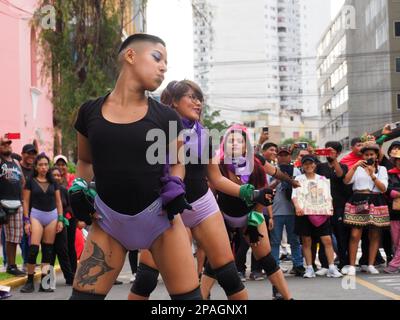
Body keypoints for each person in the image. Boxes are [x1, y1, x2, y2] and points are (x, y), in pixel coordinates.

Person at [69, 34, 201, 300]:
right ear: (130, 56)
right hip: (108, 223)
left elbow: (177, 163)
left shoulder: (166, 116)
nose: (163, 66)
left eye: (166, 62)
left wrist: (176, 184)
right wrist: (79, 186)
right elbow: (85, 160)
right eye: (157, 57)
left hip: (160, 220)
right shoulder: (89, 112)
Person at [130, 80, 277, 300]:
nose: (198, 103)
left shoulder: (204, 135)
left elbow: (215, 178)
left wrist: (251, 193)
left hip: (201, 204)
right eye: (192, 97)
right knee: (146, 278)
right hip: (165, 208)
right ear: (173, 102)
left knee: (229, 275)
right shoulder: (155, 130)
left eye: (200, 99)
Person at [201, 125, 293, 300]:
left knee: (266, 258)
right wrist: (219, 223)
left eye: (239, 141)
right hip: (223, 216)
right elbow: (211, 197)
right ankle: (202, 298)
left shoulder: (255, 165)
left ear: (245, 146)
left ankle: (287, 296)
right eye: (230, 140)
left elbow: (262, 197)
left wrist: (253, 222)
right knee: (214, 261)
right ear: (224, 144)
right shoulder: (217, 166)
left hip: (251, 215)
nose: (234, 144)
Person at [292, 155, 342, 278]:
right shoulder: (298, 178)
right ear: (302, 166)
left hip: (321, 213)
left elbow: (327, 196)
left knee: (327, 240)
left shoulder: (322, 179)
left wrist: (329, 207)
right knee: (306, 241)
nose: (309, 166)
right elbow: (294, 195)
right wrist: (298, 207)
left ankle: (331, 267)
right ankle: (309, 268)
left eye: (311, 163)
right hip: (304, 213)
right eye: (306, 164)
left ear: (315, 165)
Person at [343, 144, 390, 276]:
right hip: (359, 199)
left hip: (376, 200)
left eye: (372, 154)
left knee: (375, 234)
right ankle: (352, 265)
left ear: (376, 156)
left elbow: (383, 189)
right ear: (362, 156)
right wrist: (355, 166)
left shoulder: (382, 169)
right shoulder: (357, 168)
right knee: (355, 234)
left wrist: (372, 175)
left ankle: (370, 264)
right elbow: (346, 181)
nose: (369, 157)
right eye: (366, 155)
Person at [20, 154, 64, 293]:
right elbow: (25, 202)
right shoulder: (30, 181)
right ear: (36, 166)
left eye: (46, 164)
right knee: (33, 250)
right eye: (40, 165)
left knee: (48, 252)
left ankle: (45, 283)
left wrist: (60, 219)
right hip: (36, 216)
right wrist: (26, 221)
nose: (43, 167)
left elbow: (58, 202)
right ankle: (29, 282)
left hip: (52, 216)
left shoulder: (53, 182)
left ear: (48, 166)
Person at [315, 141, 351, 273]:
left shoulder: (343, 166)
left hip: (339, 206)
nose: (328, 153)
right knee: (324, 236)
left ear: (338, 153)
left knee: (341, 235)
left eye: (332, 151)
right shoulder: (319, 166)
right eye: (327, 150)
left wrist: (334, 159)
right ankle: (325, 265)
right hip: (322, 206)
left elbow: (341, 175)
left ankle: (343, 263)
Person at [0, 135, 25, 276]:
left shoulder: (16, 161)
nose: (7, 145)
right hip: (1, 203)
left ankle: (12, 265)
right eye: (3, 144)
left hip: (16, 203)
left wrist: (21, 198)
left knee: (14, 237)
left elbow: (22, 181)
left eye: (8, 143)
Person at [49, 166, 75, 286]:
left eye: (58, 175)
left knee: (63, 251)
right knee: (49, 252)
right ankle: (48, 279)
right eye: (54, 175)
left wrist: (63, 215)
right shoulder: (46, 189)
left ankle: (69, 278)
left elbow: (69, 206)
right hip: (47, 225)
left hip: (61, 224)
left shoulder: (64, 190)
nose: (56, 177)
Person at [54, 155, 78, 277]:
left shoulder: (72, 179)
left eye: (63, 164)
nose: (61, 167)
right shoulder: (51, 181)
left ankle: (73, 272)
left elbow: (76, 199)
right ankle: (65, 274)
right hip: (57, 218)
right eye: (58, 164)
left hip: (71, 217)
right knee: (59, 248)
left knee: (70, 245)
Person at [384, 149, 400, 273]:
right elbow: (385, 189)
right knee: (395, 240)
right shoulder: (389, 173)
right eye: (398, 160)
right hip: (394, 212)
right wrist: (395, 193)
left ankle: (394, 264)